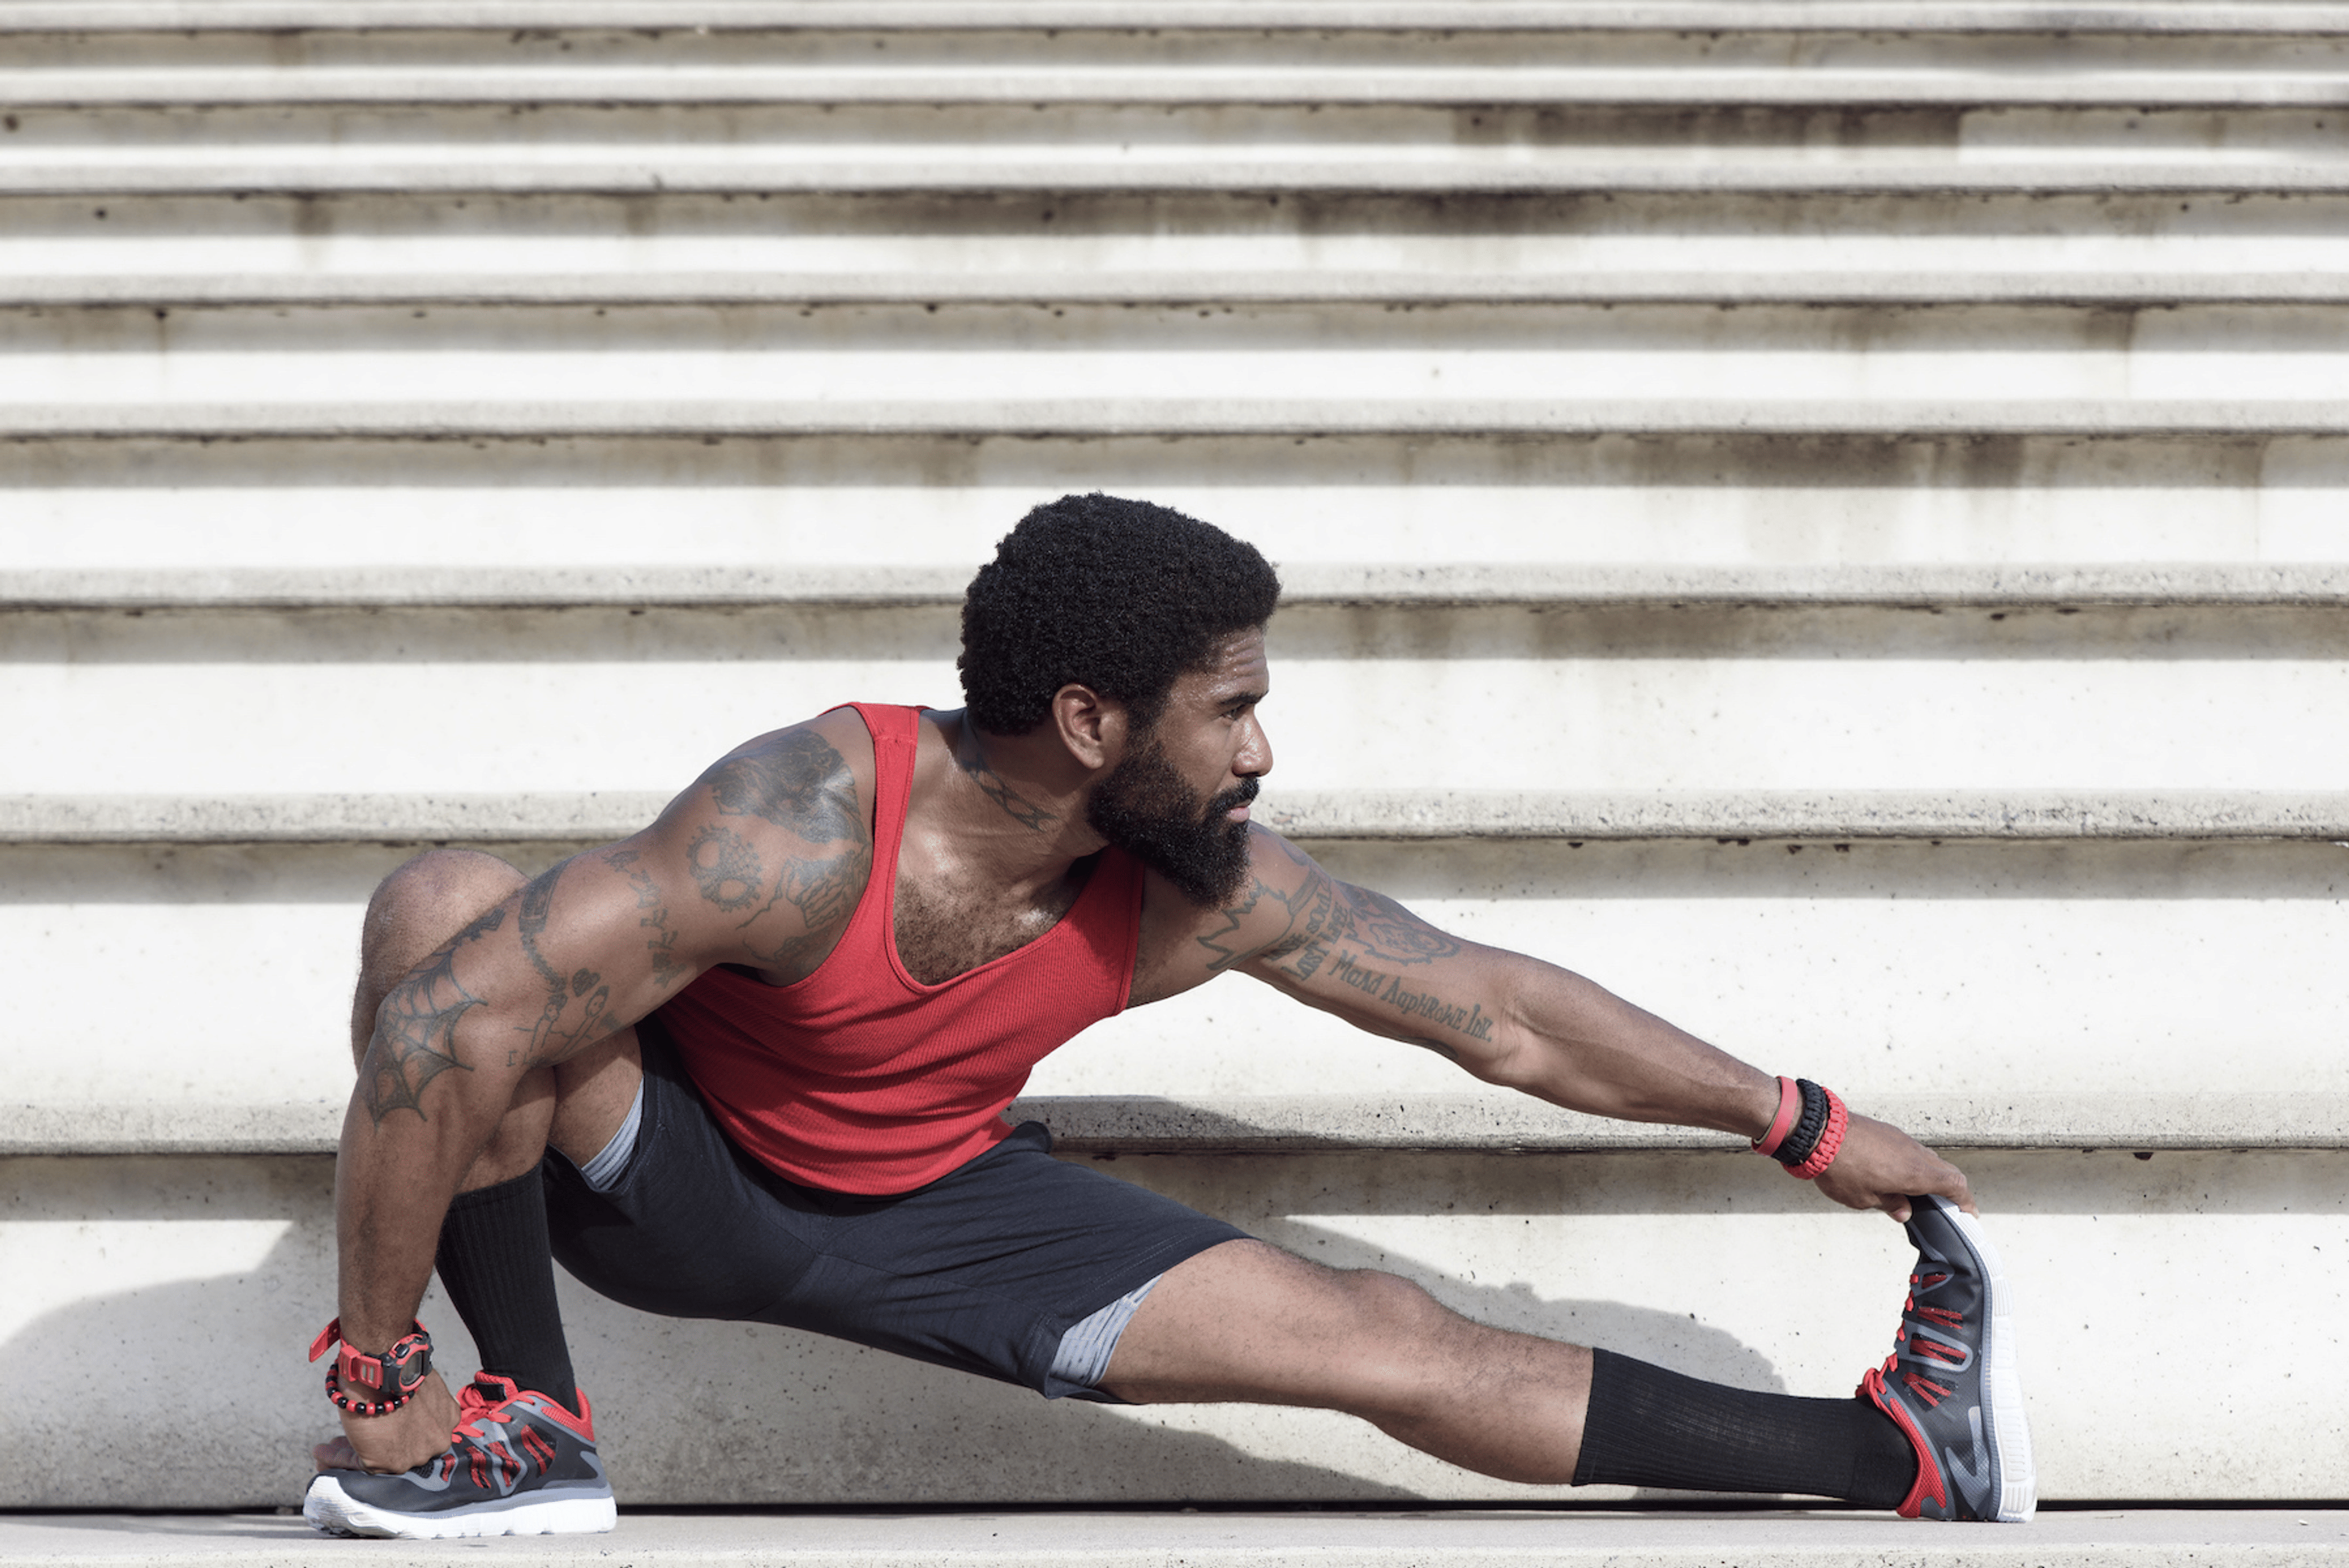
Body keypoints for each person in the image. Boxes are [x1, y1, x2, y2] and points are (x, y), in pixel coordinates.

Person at [303, 493, 2033, 1539]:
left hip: (944, 1213)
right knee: (451, 914)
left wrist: (1792, 1115)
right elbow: (435, 1020)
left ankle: (1896, 1457)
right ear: (1087, 717)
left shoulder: (1209, 878)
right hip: (672, 1170)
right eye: (1233, 708)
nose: (1261, 753)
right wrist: (381, 1376)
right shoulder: (801, 825)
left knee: (1382, 1331)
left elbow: (1498, 1014)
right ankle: (521, 1421)